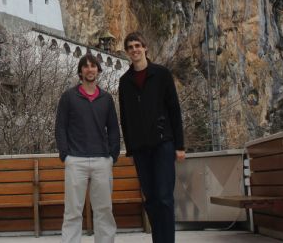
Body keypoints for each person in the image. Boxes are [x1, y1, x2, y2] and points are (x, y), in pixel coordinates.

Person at [118, 32, 185, 243]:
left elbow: (174, 109)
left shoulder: (161, 74)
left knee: (165, 197)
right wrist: (130, 147)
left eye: (138, 45)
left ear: (145, 48)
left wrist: (180, 146)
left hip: (163, 143)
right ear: (127, 52)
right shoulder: (125, 81)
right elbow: (125, 117)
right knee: (151, 199)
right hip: (140, 148)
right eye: (130, 47)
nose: (134, 50)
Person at [55, 54, 120, 243]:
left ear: (98, 70)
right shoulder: (68, 97)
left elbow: (114, 128)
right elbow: (60, 127)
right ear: (80, 71)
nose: (90, 69)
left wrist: (112, 155)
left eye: (93, 66)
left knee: (104, 210)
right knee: (73, 211)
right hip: (75, 160)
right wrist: (65, 154)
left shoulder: (106, 99)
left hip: (102, 160)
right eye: (86, 66)